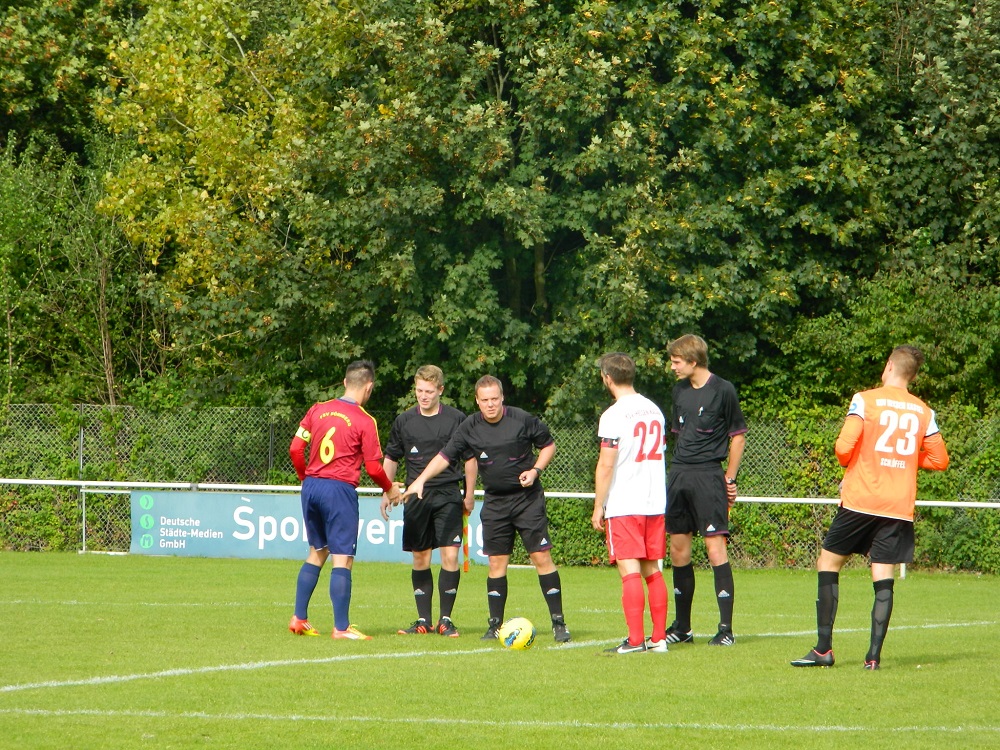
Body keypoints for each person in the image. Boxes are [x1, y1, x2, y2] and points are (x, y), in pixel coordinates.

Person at [792, 345, 949, 670]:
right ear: (913, 374)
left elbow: (844, 447)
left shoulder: (866, 399)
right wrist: (906, 458)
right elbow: (939, 460)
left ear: (889, 365)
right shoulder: (923, 411)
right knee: (883, 575)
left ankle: (823, 650)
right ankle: (873, 658)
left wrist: (856, 458)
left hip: (861, 499)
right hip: (897, 505)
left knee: (828, 563)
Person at [400, 375, 571, 643]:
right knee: (496, 563)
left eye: (494, 399)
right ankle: (495, 626)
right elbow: (445, 456)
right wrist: (420, 480)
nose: (490, 404)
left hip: (527, 501)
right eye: (484, 400)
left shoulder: (521, 418)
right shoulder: (470, 426)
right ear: (477, 401)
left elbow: (548, 445)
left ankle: (559, 623)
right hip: (495, 502)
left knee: (541, 557)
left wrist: (536, 470)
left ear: (502, 397)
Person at [287, 360, 401, 640]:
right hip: (339, 490)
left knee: (318, 551)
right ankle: (341, 627)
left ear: (344, 383)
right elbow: (374, 468)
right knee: (343, 559)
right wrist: (390, 489)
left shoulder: (317, 409)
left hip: (312, 487)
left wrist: (306, 477)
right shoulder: (365, 420)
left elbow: (295, 448)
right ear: (369, 387)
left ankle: (299, 618)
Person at [380, 365, 477, 637]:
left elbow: (470, 460)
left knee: (449, 555)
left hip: (447, 493)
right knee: (420, 557)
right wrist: (386, 491)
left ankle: (445, 620)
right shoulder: (404, 421)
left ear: (440, 391)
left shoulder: (457, 419)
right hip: (415, 497)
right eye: (420, 391)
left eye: (429, 391)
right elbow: (391, 458)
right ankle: (423, 621)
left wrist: (469, 495)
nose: (423, 396)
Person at [664, 334, 747, 646]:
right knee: (678, 550)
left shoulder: (723, 390)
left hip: (709, 476)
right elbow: (679, 435)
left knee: (715, 550)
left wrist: (729, 478)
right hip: (679, 475)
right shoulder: (679, 391)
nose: (672, 366)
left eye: (676, 361)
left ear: (693, 361)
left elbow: (737, 436)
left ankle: (725, 630)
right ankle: (682, 628)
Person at [591, 353, 670, 654]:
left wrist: (599, 505)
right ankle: (659, 639)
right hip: (654, 501)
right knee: (653, 569)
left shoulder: (613, 414)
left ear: (607, 378)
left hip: (625, 501)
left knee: (629, 570)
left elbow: (606, 465)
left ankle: (636, 640)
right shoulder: (654, 410)